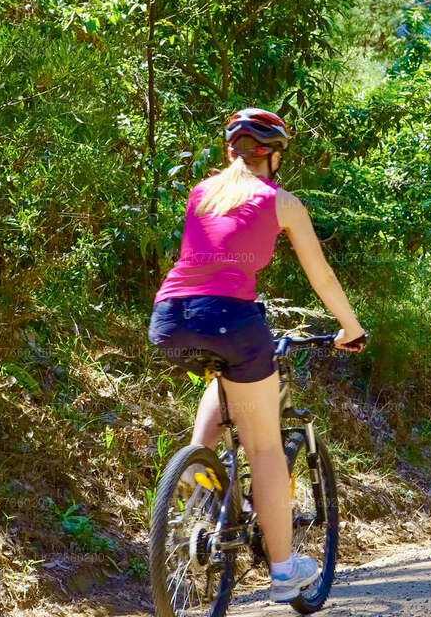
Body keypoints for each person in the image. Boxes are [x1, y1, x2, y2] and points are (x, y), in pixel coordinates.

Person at [148, 108, 366, 603]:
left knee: (217, 384)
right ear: (275, 157)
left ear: (231, 152)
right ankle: (285, 571)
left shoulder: (201, 193)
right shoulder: (281, 202)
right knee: (265, 446)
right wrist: (351, 328)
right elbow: (322, 277)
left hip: (169, 318)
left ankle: (197, 493)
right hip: (232, 322)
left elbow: (206, 260)